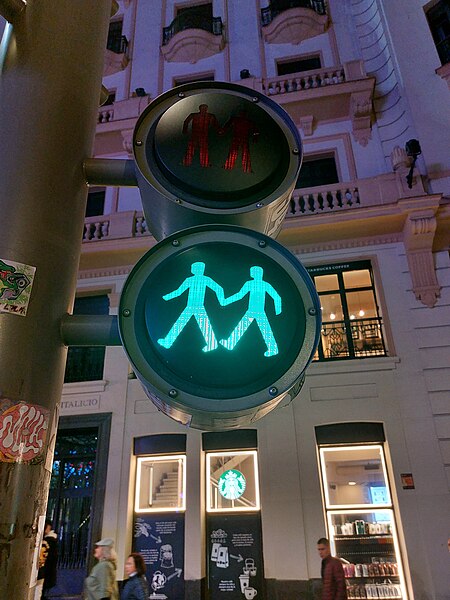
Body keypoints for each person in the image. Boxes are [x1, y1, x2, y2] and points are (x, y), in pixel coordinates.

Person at [40, 520, 58, 599]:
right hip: (49, 568)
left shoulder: (49, 540)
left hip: (46, 568)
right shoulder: (52, 539)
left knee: (42, 587)